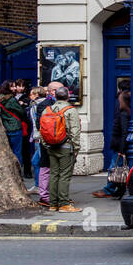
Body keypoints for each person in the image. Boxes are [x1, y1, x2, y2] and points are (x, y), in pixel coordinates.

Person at [42, 85, 81, 213]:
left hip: (51, 146)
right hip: (66, 147)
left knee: (53, 174)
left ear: (54, 96)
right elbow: (75, 131)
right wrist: (76, 147)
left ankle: (53, 204)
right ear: (68, 96)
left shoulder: (47, 110)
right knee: (64, 175)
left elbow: (41, 130)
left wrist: (46, 144)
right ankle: (64, 204)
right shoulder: (70, 110)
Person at [0, 81, 29, 169]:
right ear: (7, 88)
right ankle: (18, 172)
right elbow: (21, 112)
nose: (15, 88)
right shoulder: (11, 100)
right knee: (17, 151)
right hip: (15, 127)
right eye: (12, 87)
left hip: (4, 127)